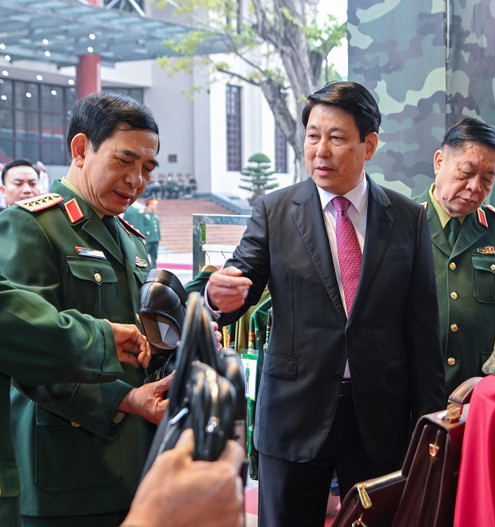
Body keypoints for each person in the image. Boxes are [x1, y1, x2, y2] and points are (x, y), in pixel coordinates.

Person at [198, 81, 445, 527]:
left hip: (379, 416)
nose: (320, 151)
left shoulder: (407, 217)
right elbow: (238, 284)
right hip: (295, 411)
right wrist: (218, 296)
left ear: (369, 145)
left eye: (336, 138)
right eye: (313, 136)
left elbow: (422, 327)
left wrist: (426, 424)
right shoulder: (275, 211)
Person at [0, 92, 173, 527]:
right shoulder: (31, 225)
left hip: (134, 461)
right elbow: (26, 352)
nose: (136, 180)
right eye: (124, 160)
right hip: (67, 467)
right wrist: (122, 399)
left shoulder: (131, 237)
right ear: (80, 150)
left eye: (147, 168)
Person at [0, 278, 245, 527]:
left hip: (136, 466)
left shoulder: (128, 237)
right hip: (72, 477)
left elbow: (145, 339)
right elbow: (23, 343)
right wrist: (122, 394)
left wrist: (183, 345)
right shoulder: (34, 236)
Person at [414, 117, 495, 395]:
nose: (475, 187)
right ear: (439, 162)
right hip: (414, 387)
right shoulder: (401, 224)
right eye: (466, 172)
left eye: (487, 179)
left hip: (481, 391)